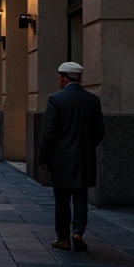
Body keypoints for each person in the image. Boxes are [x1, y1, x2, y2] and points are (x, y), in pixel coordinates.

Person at [38, 61, 106, 253]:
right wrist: (86, 146)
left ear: (65, 77)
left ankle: (63, 238)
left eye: (59, 77)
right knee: (80, 195)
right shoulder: (93, 100)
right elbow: (100, 130)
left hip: (61, 160)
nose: (58, 81)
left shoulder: (55, 100)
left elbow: (48, 133)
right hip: (84, 158)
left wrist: (44, 158)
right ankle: (78, 232)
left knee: (61, 199)